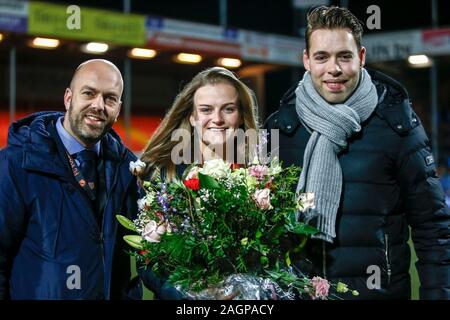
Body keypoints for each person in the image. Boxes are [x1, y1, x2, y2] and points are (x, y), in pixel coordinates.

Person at [265, 6, 450, 299]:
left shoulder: (397, 125)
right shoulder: (281, 129)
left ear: (361, 57)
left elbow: (433, 228)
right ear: (306, 61)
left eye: (344, 56)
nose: (333, 69)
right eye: (322, 57)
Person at [0, 59, 141, 299]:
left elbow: (138, 256)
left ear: (118, 108)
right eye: (89, 93)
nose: (98, 105)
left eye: (110, 98)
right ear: (68, 98)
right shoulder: (15, 163)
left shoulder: (127, 169)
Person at [136, 66, 259, 298]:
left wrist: (246, 290)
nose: (217, 119)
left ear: (241, 115)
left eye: (228, 109)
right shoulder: (165, 174)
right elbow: (147, 260)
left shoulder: (259, 177)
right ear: (192, 117)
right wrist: (190, 296)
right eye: (206, 110)